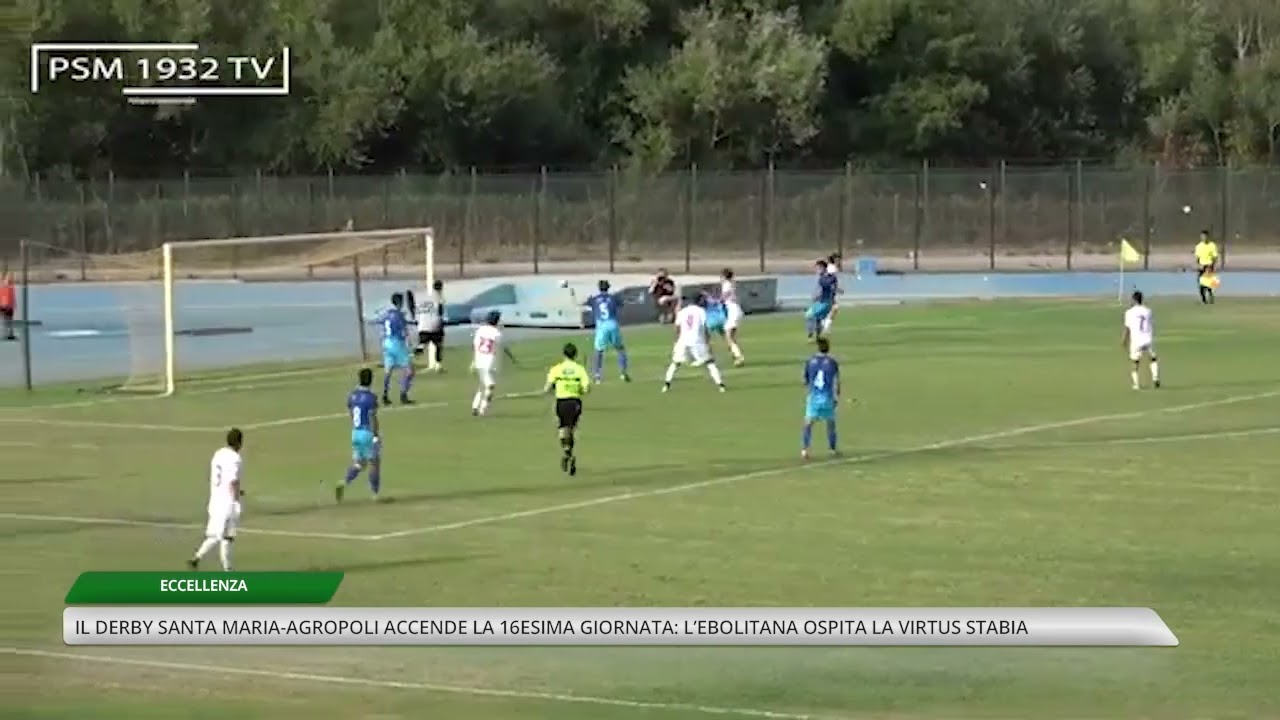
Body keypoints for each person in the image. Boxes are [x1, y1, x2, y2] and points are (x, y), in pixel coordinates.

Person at [188, 428, 245, 571]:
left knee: (216, 536)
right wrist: (236, 498)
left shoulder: (218, 454)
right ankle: (227, 569)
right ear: (239, 443)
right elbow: (232, 481)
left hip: (215, 501)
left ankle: (197, 559)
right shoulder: (235, 458)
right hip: (228, 503)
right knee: (226, 537)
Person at [543, 342, 591, 476]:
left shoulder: (556, 369)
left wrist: (552, 388)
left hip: (561, 402)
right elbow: (586, 389)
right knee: (572, 428)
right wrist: (579, 389)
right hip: (575, 402)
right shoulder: (580, 369)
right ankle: (569, 453)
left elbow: (547, 388)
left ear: (564, 354)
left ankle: (567, 452)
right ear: (575, 355)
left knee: (563, 430)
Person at [663, 293, 726, 393]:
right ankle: (720, 385)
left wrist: (677, 340)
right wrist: (707, 342)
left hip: (683, 340)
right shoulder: (701, 311)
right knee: (710, 362)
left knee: (675, 363)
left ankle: (666, 385)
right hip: (697, 340)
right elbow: (705, 328)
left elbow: (677, 327)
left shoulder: (682, 311)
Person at [339, 368, 382, 503]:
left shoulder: (352, 396)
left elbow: (351, 413)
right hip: (367, 432)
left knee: (359, 464)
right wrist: (375, 435)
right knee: (374, 463)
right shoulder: (371, 397)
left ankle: (344, 482)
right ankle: (375, 494)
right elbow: (372, 417)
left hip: (356, 432)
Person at [470, 310, 516, 416]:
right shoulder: (497, 333)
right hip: (490, 363)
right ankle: (483, 409)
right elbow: (503, 347)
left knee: (483, 385)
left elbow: (475, 345)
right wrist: (512, 357)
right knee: (490, 386)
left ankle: (475, 406)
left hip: (479, 361)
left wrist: (473, 361)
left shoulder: (480, 330)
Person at [802, 338, 841, 460]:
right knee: (830, 423)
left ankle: (805, 449)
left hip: (814, 396)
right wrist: (836, 397)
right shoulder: (832, 362)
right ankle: (832, 449)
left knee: (808, 423)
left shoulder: (810, 361)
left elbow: (805, 380)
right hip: (827, 397)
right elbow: (837, 381)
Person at [587, 280, 631, 383]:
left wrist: (572, 294)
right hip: (612, 324)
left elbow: (584, 303)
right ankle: (623, 372)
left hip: (601, 326)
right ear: (608, 288)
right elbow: (622, 303)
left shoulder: (595, 299)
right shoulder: (613, 298)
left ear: (599, 288)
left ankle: (597, 375)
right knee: (620, 349)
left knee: (598, 351)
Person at [377, 293, 415, 405]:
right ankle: (403, 394)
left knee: (388, 371)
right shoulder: (399, 315)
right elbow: (404, 332)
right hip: (397, 343)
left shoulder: (386, 314)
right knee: (409, 371)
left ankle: (385, 395)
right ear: (400, 302)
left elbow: (381, 327)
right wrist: (410, 345)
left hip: (387, 343)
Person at [1122, 291, 1160, 390]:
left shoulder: (1129, 312)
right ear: (1141, 299)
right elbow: (1150, 323)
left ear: (1133, 300)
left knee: (1135, 362)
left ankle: (1136, 384)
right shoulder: (1148, 311)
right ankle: (1155, 378)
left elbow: (1127, 328)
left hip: (1136, 340)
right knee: (1153, 358)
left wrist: (1124, 340)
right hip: (1148, 339)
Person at [417, 280, 447, 372]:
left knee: (423, 342)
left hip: (423, 325)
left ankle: (420, 347)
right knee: (438, 345)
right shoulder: (439, 298)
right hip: (434, 325)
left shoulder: (424, 298)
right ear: (441, 288)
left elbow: (419, 311)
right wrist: (443, 322)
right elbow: (440, 313)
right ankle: (438, 365)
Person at [805, 260, 839, 339]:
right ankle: (817, 336)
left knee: (809, 315)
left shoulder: (827, 277)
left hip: (824, 302)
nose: (817, 270)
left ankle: (811, 335)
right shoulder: (820, 277)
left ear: (823, 268)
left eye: (819, 268)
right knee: (817, 319)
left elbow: (830, 288)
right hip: (818, 302)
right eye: (816, 268)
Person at [719, 268, 746, 366]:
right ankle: (736, 355)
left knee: (728, 336)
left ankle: (739, 357)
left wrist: (714, 300)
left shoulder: (726, 284)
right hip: (735, 311)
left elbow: (723, 297)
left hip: (733, 311)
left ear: (724, 276)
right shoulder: (731, 284)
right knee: (730, 337)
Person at [1193, 231, 1218, 305]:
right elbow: (1197, 258)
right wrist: (1199, 265)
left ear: (1208, 237)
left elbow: (1215, 257)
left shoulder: (1212, 245)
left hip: (1209, 266)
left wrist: (1212, 265)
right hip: (1201, 266)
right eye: (1202, 236)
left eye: (1205, 236)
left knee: (1208, 284)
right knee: (1201, 284)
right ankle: (1204, 300)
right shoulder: (1198, 246)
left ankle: (1211, 296)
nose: (1203, 238)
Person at [822, 254, 842, 334]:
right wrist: (835, 289)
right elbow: (830, 279)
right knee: (834, 308)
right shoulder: (832, 268)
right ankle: (825, 326)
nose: (839, 261)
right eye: (838, 259)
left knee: (832, 309)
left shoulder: (831, 267)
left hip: (829, 291)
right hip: (830, 292)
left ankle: (825, 325)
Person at [0, 273, 14, 341]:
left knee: (8, 321)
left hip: (8, 307)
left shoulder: (9, 288)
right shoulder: (4, 287)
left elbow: (10, 298)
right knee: (5, 321)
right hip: (4, 306)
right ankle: (7, 334)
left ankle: (9, 335)